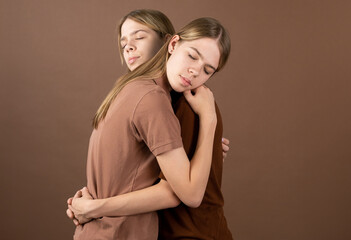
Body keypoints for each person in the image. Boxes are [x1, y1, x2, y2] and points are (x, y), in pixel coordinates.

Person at [67, 10, 232, 240]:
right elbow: (187, 193)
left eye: (207, 70)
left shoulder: (127, 90)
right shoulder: (153, 99)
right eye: (192, 56)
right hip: (123, 232)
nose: (195, 71)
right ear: (173, 43)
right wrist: (209, 119)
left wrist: (207, 152)